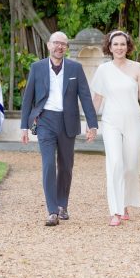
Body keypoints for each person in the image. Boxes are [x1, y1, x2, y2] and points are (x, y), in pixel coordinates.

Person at [21, 31, 98, 226]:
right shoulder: (37, 68)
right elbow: (28, 98)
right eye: (56, 43)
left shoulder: (75, 68)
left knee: (65, 166)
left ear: (66, 48)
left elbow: (86, 97)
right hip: (45, 120)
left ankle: (62, 204)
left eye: (63, 44)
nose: (59, 47)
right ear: (49, 45)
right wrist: (23, 126)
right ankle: (52, 211)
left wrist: (92, 124)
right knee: (48, 164)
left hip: (67, 122)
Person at [91, 30, 140, 226]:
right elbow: (98, 98)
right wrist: (91, 124)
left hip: (134, 121)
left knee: (131, 166)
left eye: (122, 44)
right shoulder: (103, 70)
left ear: (128, 46)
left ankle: (125, 201)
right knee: (115, 162)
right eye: (115, 44)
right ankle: (115, 211)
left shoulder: (137, 67)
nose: (119, 47)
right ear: (109, 47)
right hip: (111, 122)